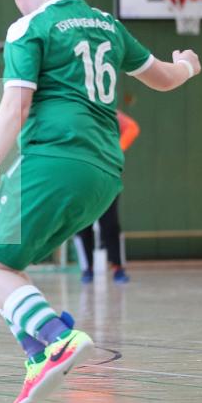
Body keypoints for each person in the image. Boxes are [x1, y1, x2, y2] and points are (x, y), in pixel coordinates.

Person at [0, 0, 201, 403]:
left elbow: (14, 108)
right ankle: (38, 354)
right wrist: (187, 64)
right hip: (104, 171)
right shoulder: (104, 22)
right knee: (9, 269)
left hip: (54, 159)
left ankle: (54, 339)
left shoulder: (30, 27)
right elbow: (165, 78)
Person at [75, 109, 140, 284]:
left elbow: (132, 127)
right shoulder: (73, 110)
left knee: (110, 224)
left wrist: (115, 150)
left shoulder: (106, 109)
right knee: (81, 225)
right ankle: (86, 269)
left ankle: (118, 267)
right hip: (79, 178)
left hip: (107, 178)